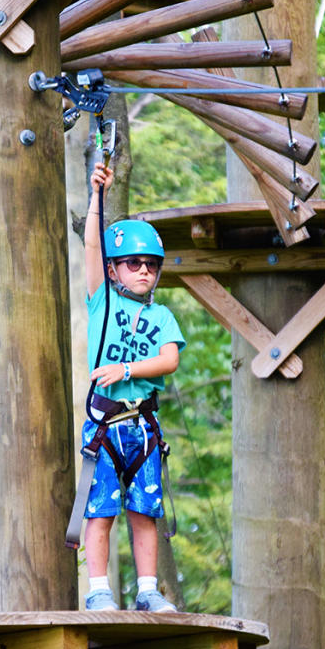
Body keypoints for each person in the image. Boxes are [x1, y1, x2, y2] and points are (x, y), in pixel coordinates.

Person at [81, 161, 185, 613]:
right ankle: (99, 589)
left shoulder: (161, 316)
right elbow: (90, 243)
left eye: (150, 265)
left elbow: (170, 359)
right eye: (133, 264)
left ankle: (147, 589)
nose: (143, 271)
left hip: (142, 425)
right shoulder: (101, 300)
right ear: (113, 269)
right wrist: (96, 196)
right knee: (99, 510)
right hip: (104, 423)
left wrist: (125, 370)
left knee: (146, 512)